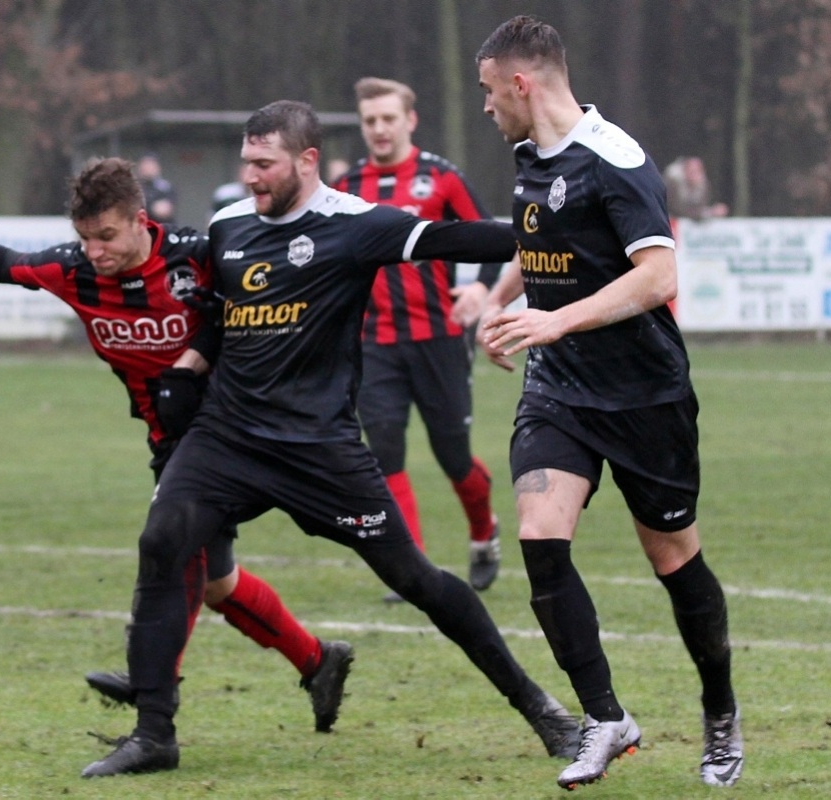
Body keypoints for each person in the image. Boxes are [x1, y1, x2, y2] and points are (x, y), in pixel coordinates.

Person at [79, 100, 582, 779]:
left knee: (417, 580)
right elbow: (215, 316)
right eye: (245, 163)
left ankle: (540, 707)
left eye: (264, 164)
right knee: (162, 538)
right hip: (228, 436)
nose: (250, 178)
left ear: (306, 161)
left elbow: (450, 240)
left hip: (319, 448)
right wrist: (190, 367)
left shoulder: (352, 224)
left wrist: (546, 234)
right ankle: (154, 735)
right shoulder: (228, 225)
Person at [0, 157, 354, 736]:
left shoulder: (197, 256)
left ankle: (153, 683)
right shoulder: (75, 272)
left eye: (107, 236)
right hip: (172, 441)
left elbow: (268, 295)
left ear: (142, 221)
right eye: (85, 238)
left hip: (236, 433)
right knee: (216, 581)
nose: (95, 251)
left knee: (173, 549)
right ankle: (317, 661)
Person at [475, 16, 742, 790]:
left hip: (644, 395)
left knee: (672, 556)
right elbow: (540, 246)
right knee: (538, 529)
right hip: (559, 388)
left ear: (523, 83)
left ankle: (719, 707)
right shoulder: (529, 156)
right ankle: (605, 718)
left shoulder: (615, 160)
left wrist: (555, 319)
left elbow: (658, 276)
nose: (487, 107)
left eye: (492, 92)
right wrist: (503, 308)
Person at [334, 77, 503, 598]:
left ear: (410, 120)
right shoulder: (345, 189)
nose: (379, 129)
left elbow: (492, 238)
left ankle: (483, 533)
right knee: (384, 453)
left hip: (438, 339)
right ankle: (413, 568)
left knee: (454, 455)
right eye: (370, 121)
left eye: (388, 118)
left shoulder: (442, 178)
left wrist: (478, 287)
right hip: (374, 343)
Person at [662, 156, 728, 222]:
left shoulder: (703, 185)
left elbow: (698, 209)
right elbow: (680, 210)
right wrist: (710, 212)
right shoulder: (674, 183)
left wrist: (710, 212)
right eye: (691, 171)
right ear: (685, 171)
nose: (694, 175)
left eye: (697, 171)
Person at [136, 153, 177, 224]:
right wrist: (151, 207)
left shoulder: (165, 187)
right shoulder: (134, 187)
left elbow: (164, 210)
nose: (148, 169)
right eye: (145, 166)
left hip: (162, 228)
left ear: (158, 168)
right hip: (141, 227)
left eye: (151, 166)